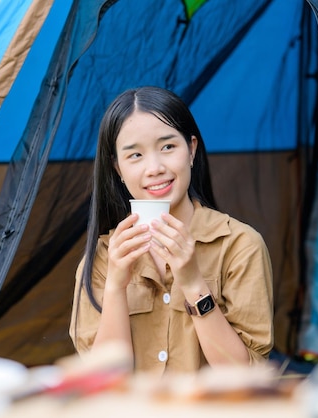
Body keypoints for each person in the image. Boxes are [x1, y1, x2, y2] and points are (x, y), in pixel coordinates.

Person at [69, 86, 273, 376]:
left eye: (167, 147)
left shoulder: (241, 246)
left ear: (191, 149)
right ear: (117, 168)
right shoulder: (104, 256)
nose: (154, 168)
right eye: (135, 155)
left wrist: (193, 283)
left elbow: (244, 375)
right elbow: (100, 379)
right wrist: (116, 284)